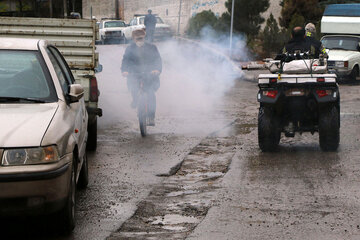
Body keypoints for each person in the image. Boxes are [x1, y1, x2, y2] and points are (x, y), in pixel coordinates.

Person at [121, 29, 162, 126]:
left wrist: (157, 70)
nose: (140, 40)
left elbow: (158, 60)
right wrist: (124, 71)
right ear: (133, 39)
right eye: (137, 39)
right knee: (133, 88)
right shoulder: (129, 49)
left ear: (144, 37)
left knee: (151, 93)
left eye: (141, 38)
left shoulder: (152, 47)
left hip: (150, 74)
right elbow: (125, 60)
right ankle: (135, 100)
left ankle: (151, 117)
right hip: (134, 74)